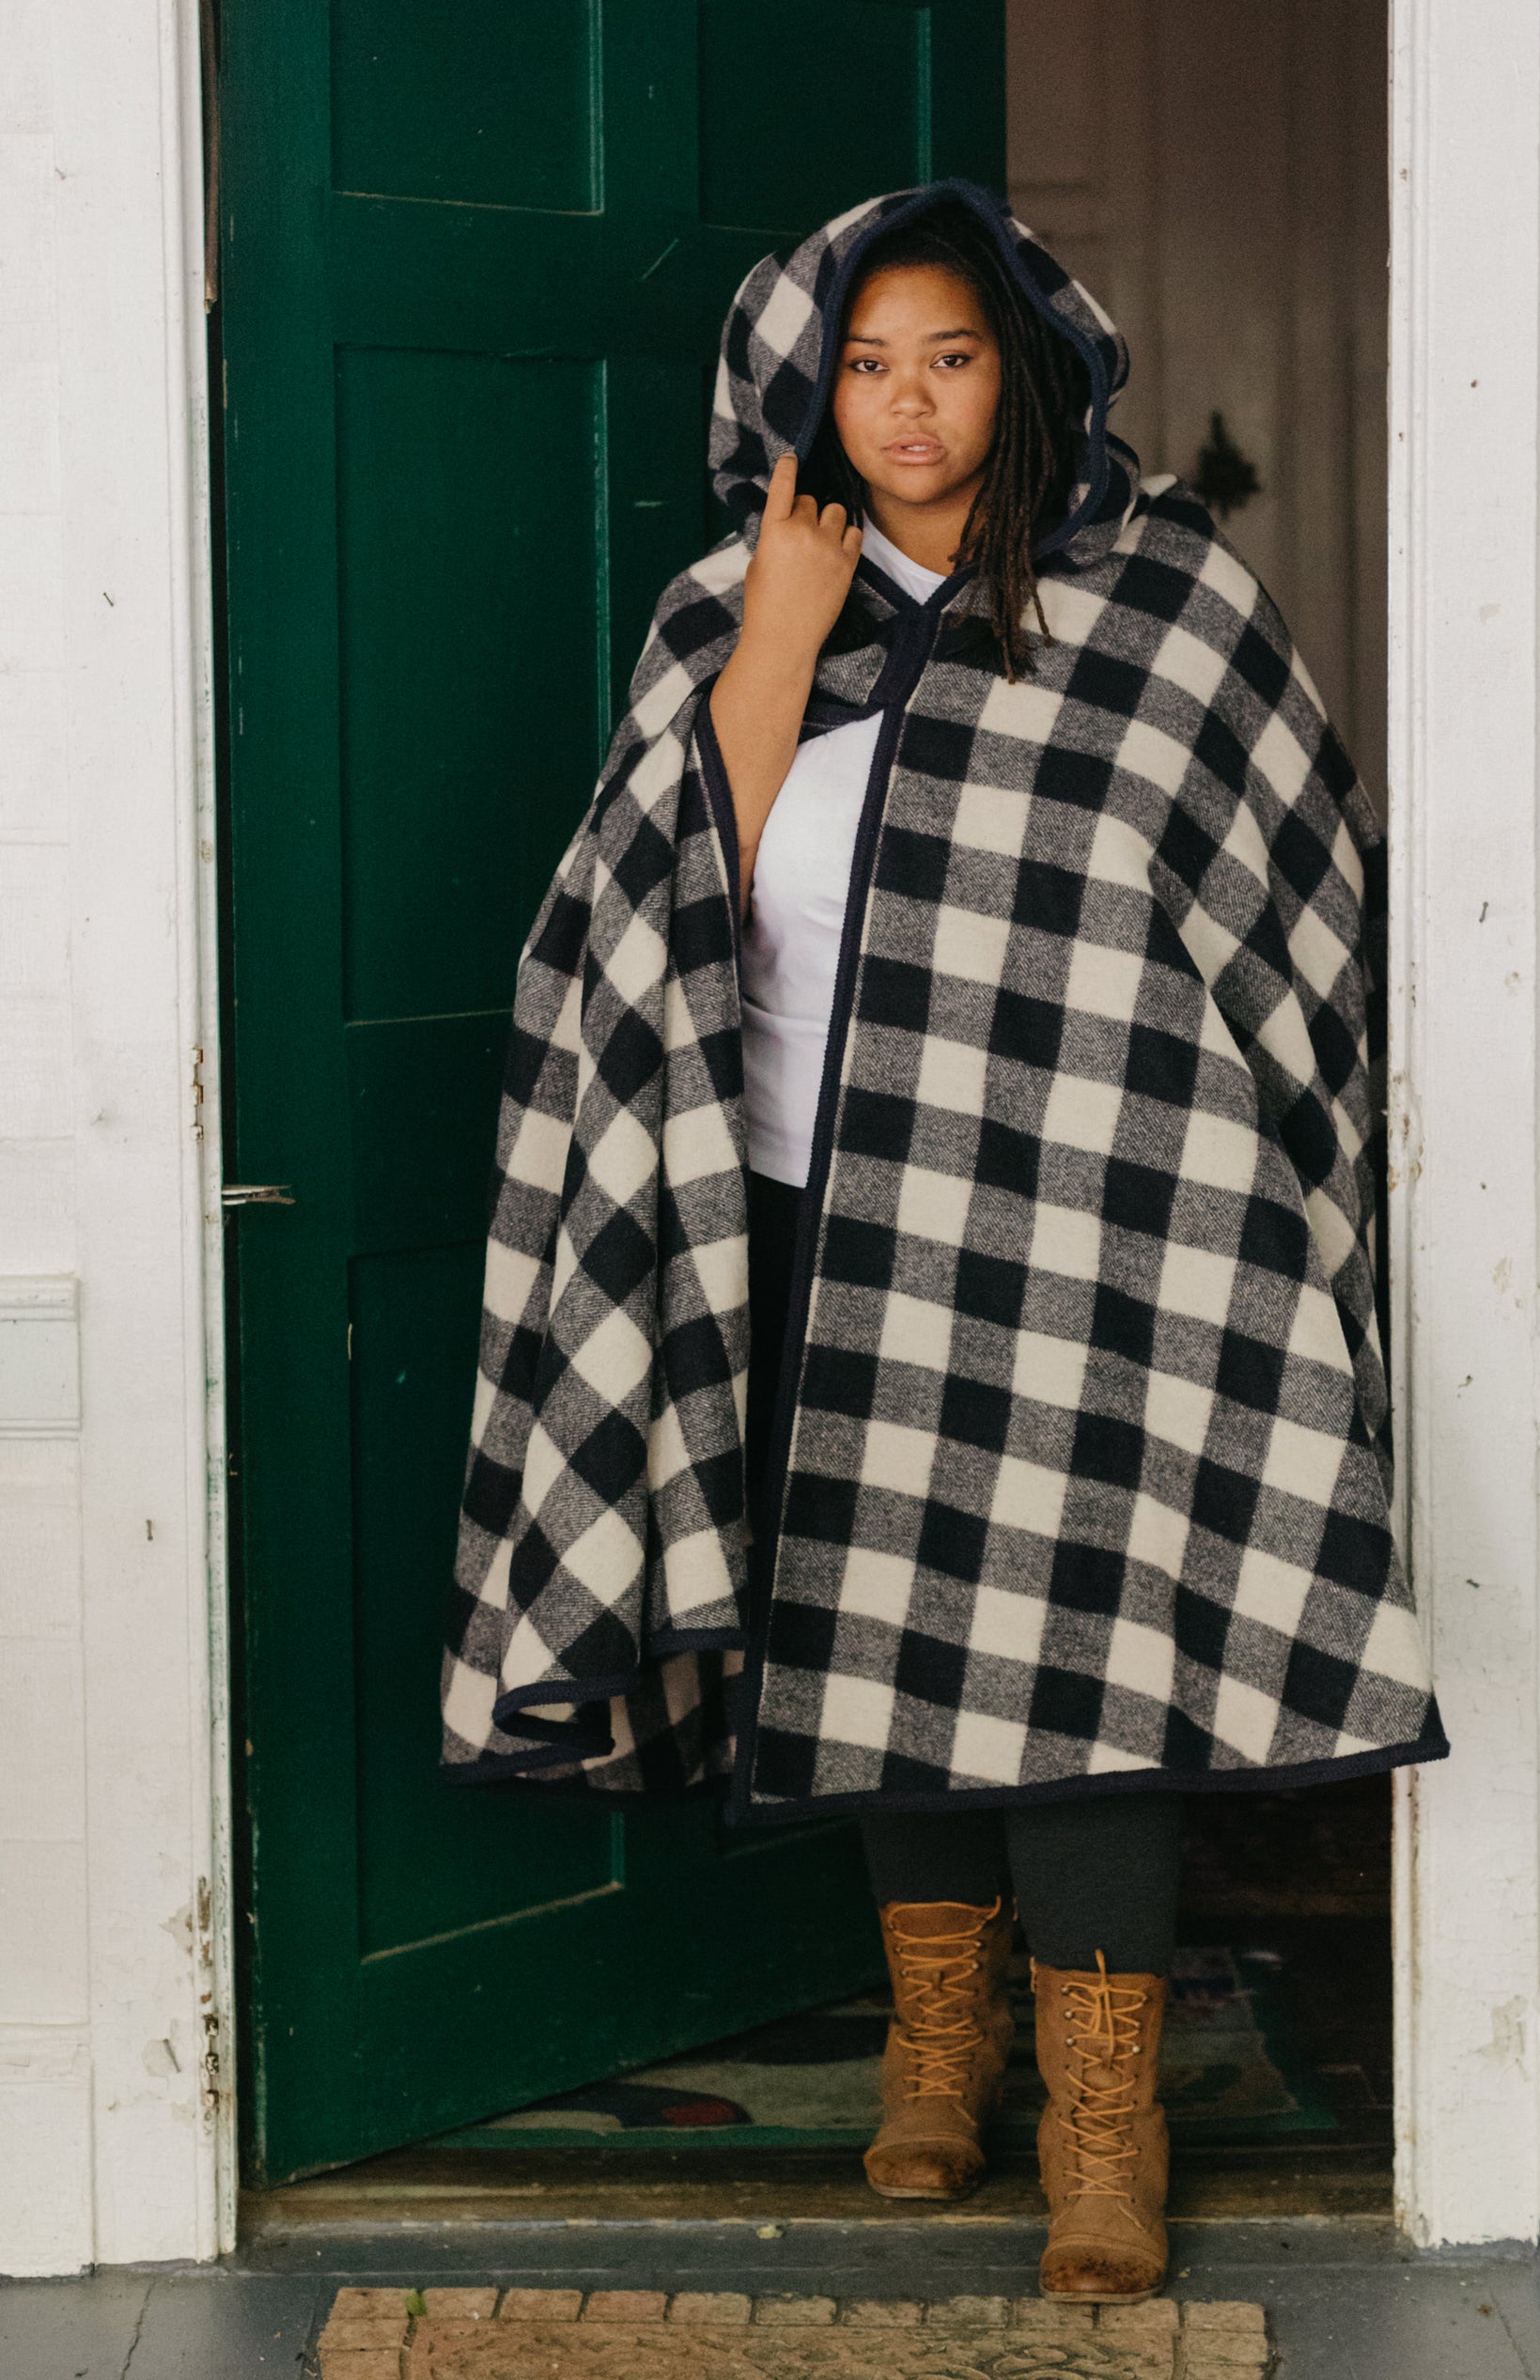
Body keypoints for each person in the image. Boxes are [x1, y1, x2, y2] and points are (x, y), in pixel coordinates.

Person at [443, 184, 1444, 2302]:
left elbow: (1296, 926)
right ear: (804, 384)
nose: (908, 405)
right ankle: (938, 2052)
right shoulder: (734, 603)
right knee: (871, 1629)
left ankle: (1106, 2131)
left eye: (953, 358)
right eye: (868, 364)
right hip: (798, 1206)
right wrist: (788, 637)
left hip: (1095, 1224)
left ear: (1026, 368)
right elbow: (644, 912)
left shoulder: (1166, 609)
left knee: (1079, 1649)